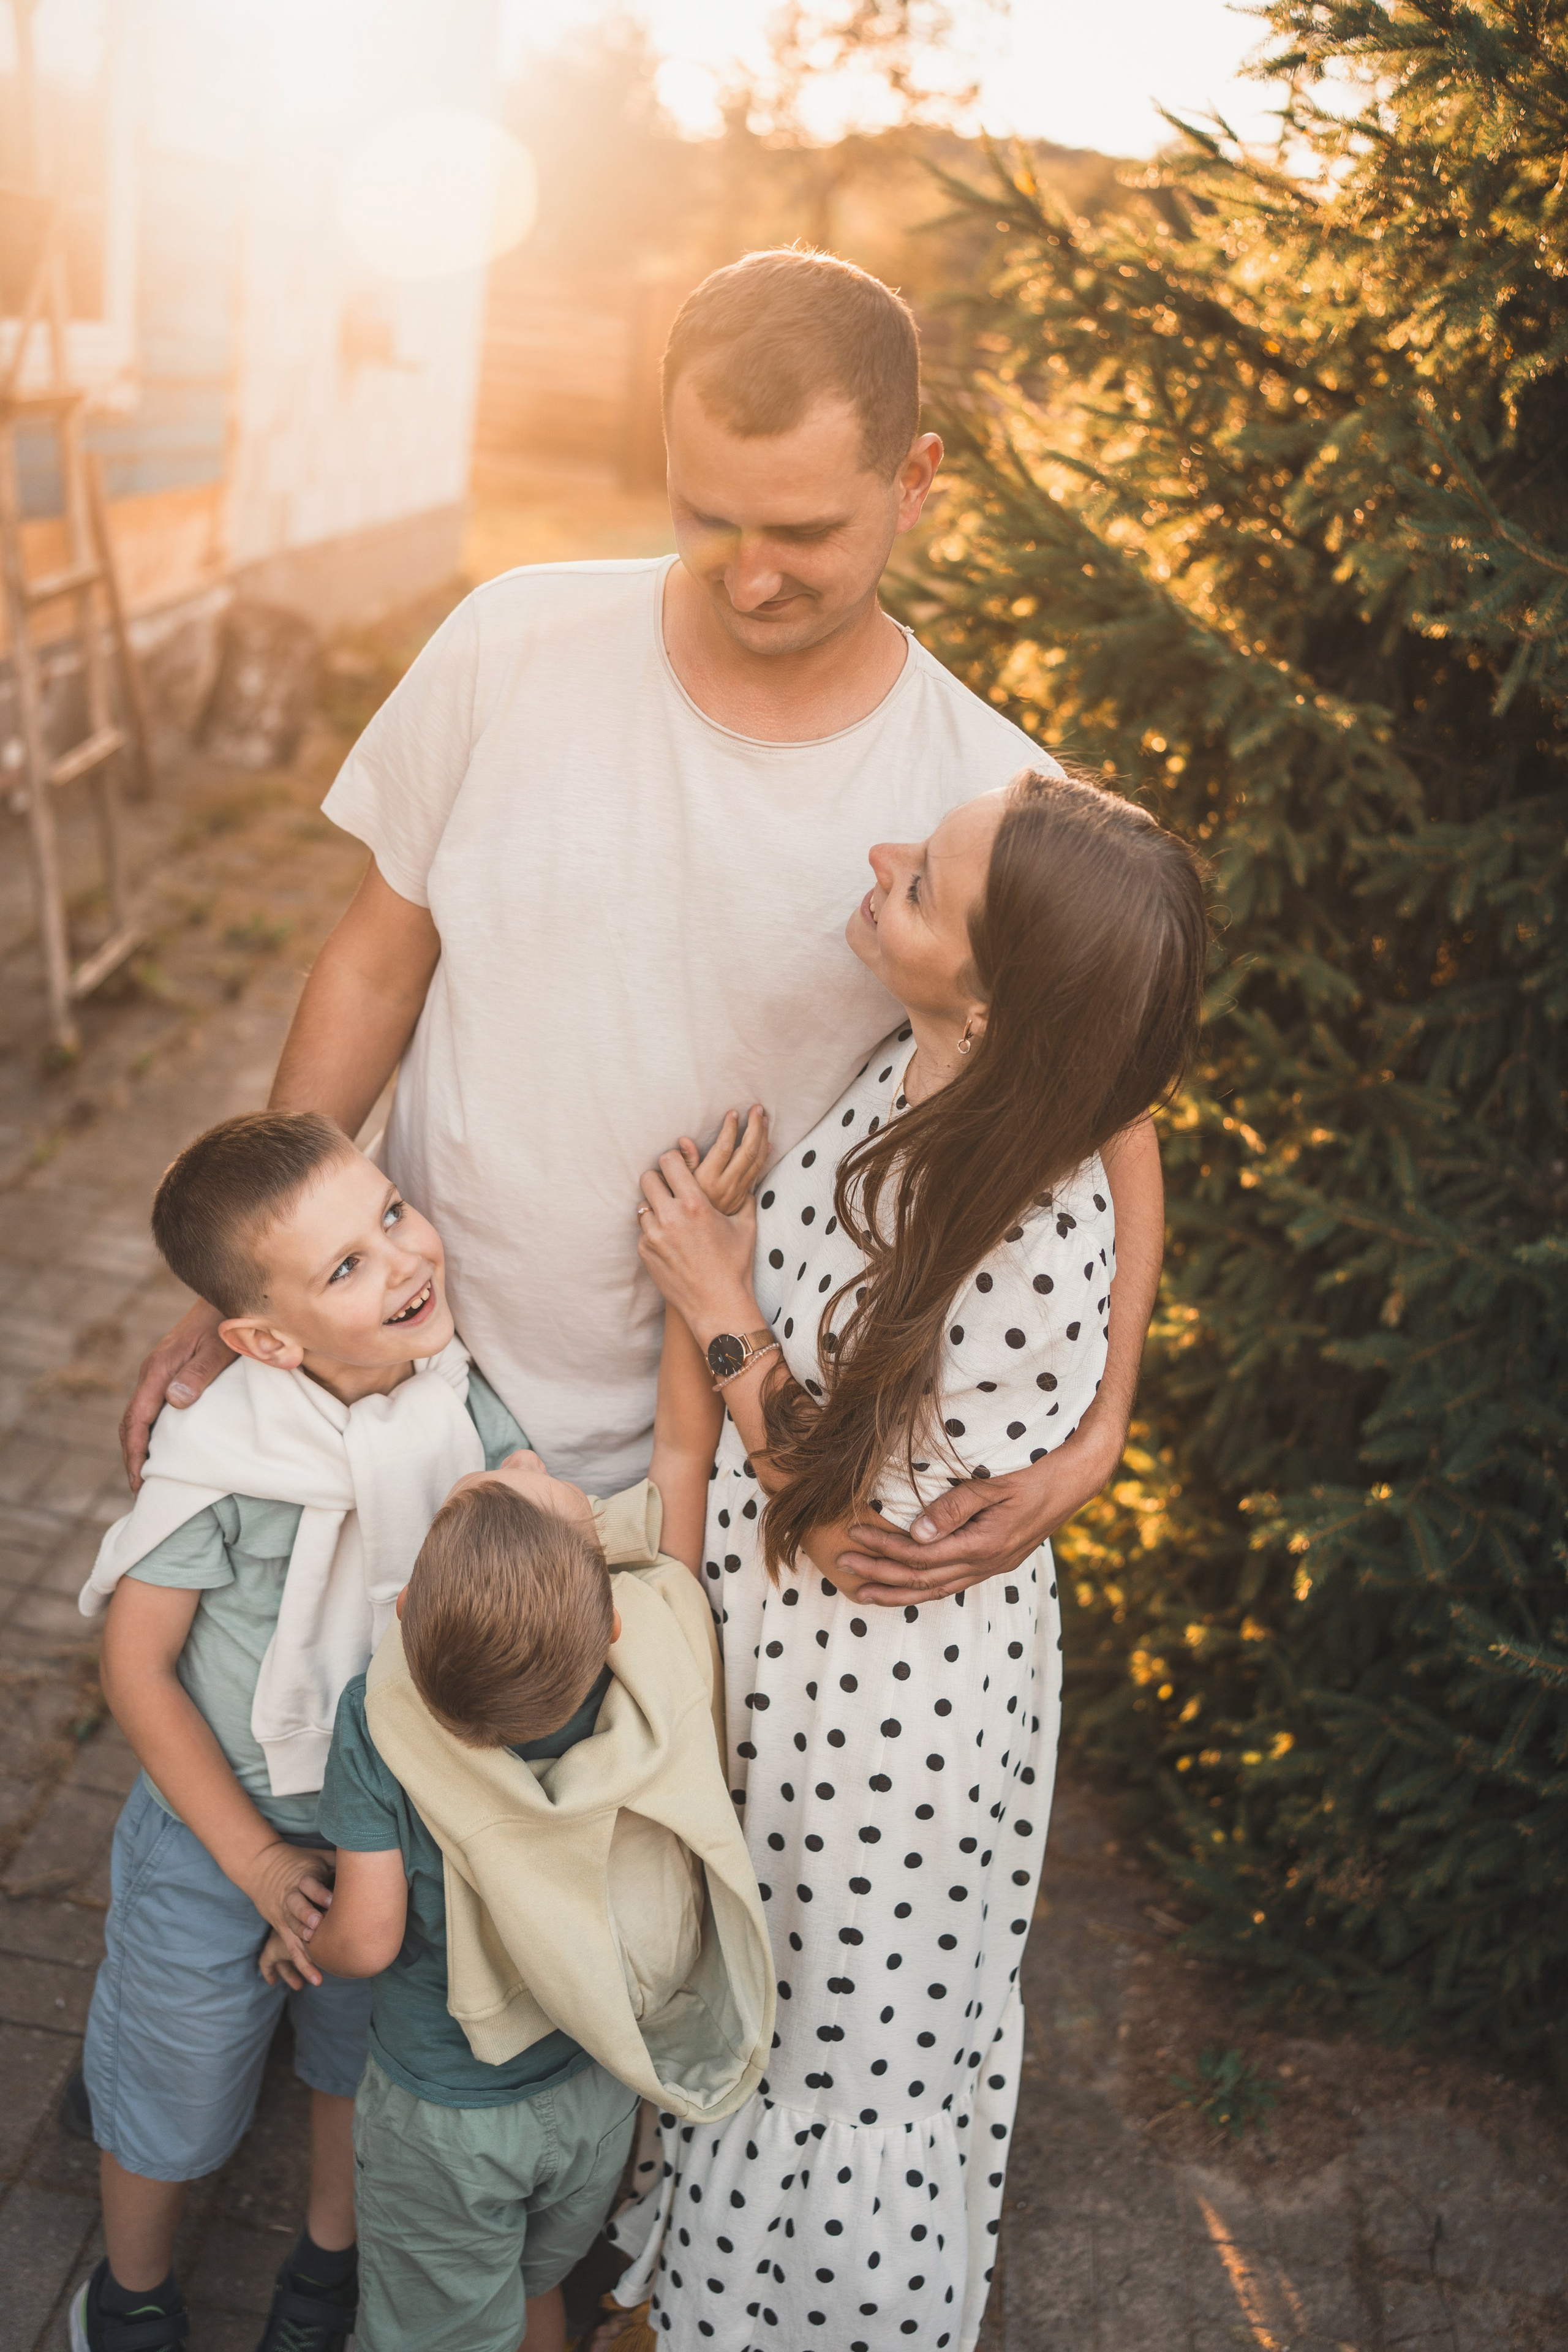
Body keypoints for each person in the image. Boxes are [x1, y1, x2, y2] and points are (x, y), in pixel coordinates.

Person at [119, 246, 1166, 1613]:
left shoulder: (980, 811)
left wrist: (1099, 1431)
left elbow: (1107, 1112)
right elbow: (379, 958)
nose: (749, 579)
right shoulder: (512, 640)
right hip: (396, 1382)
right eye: (706, 517)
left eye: (802, 534)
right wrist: (246, 1279)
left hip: (713, 1470)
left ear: (913, 482)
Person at [614, 771, 1208, 2351]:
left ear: (996, 991)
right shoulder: (960, 1062)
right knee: (777, 2026)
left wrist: (710, 1291)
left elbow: (825, 1505)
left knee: (834, 2059)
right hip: (816, 1672)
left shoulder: (1024, 1230)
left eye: (922, 884)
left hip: (882, 1723)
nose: (879, 861)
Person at [71, 1112, 540, 2352]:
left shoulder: (458, 1407)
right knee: (170, 2071)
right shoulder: (228, 1450)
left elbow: (535, 1528)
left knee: (355, 2061)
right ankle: (129, 2288)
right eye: (345, 1267)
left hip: (386, 1831)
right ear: (264, 1339)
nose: (400, 1261)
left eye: (389, 1214)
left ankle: (325, 2268)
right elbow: (138, 1666)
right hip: (213, 1828)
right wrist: (262, 1865)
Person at [271, 1443, 775, 2352]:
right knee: (536, 2289)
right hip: (598, 2082)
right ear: (611, 1623)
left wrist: (305, 1940)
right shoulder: (647, 1663)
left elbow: (370, 1938)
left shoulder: (378, 1716)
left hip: (447, 2118)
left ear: (411, 1616)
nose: (524, 1450)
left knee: (439, 2328)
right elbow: (679, 1458)